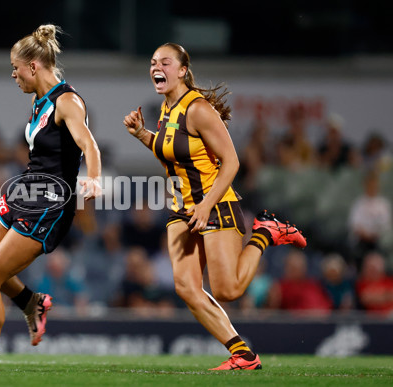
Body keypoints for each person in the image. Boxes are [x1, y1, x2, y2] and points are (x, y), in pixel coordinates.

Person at [123, 42, 306, 370]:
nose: (156, 67)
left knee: (228, 289)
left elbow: (232, 162)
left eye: (165, 62)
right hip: (183, 209)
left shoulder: (198, 109)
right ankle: (243, 354)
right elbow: (171, 150)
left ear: (181, 71)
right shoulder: (167, 108)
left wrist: (206, 205)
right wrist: (141, 134)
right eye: (153, 62)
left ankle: (265, 233)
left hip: (215, 202)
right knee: (186, 288)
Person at [0, 24, 102, 371]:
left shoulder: (67, 101)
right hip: (25, 192)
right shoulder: (39, 102)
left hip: (49, 207)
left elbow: (88, 144)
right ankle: (30, 301)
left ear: (33, 66)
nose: (13, 74)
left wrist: (93, 180)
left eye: (15, 67)